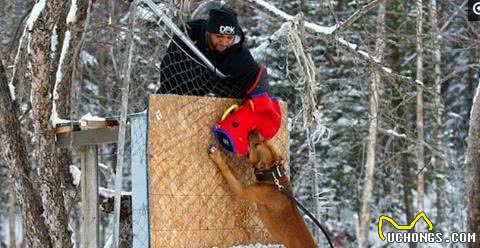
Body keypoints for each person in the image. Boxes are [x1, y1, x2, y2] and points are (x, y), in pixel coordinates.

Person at [156, 6, 269, 99]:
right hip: (179, 95)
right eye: (219, 36)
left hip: (221, 104)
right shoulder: (188, 35)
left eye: (229, 38)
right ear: (209, 33)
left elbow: (256, 82)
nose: (224, 42)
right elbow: (168, 71)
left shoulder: (238, 52)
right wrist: (206, 80)